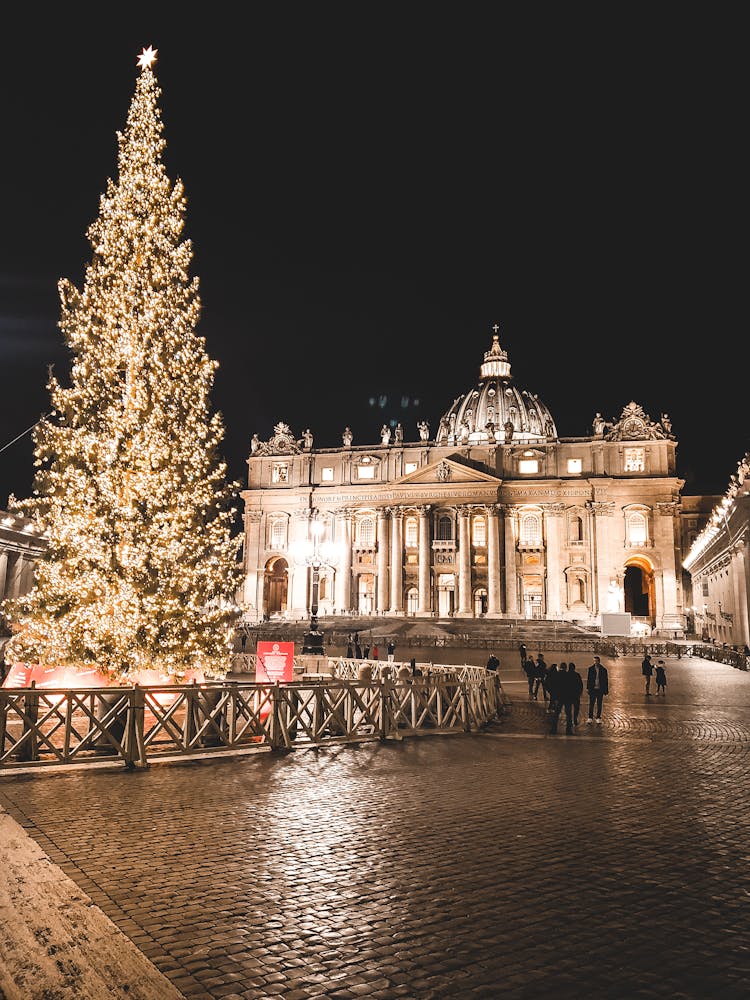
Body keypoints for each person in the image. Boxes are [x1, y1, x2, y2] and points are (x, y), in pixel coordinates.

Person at [586, 655, 609, 724]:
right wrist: (588, 688)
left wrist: (606, 690)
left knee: (599, 704)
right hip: (593, 689)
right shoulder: (590, 669)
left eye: (596, 661)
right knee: (591, 704)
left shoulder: (603, 670)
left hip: (600, 689)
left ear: (599, 661)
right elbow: (589, 679)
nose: (595, 662)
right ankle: (590, 717)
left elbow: (605, 680)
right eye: (594, 661)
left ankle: (598, 717)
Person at [567, 661, 583, 726]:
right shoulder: (577, 675)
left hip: (568, 695)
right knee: (576, 708)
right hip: (576, 695)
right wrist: (579, 693)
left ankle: (569, 720)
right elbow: (580, 685)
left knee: (568, 708)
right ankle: (575, 719)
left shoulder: (566, 674)